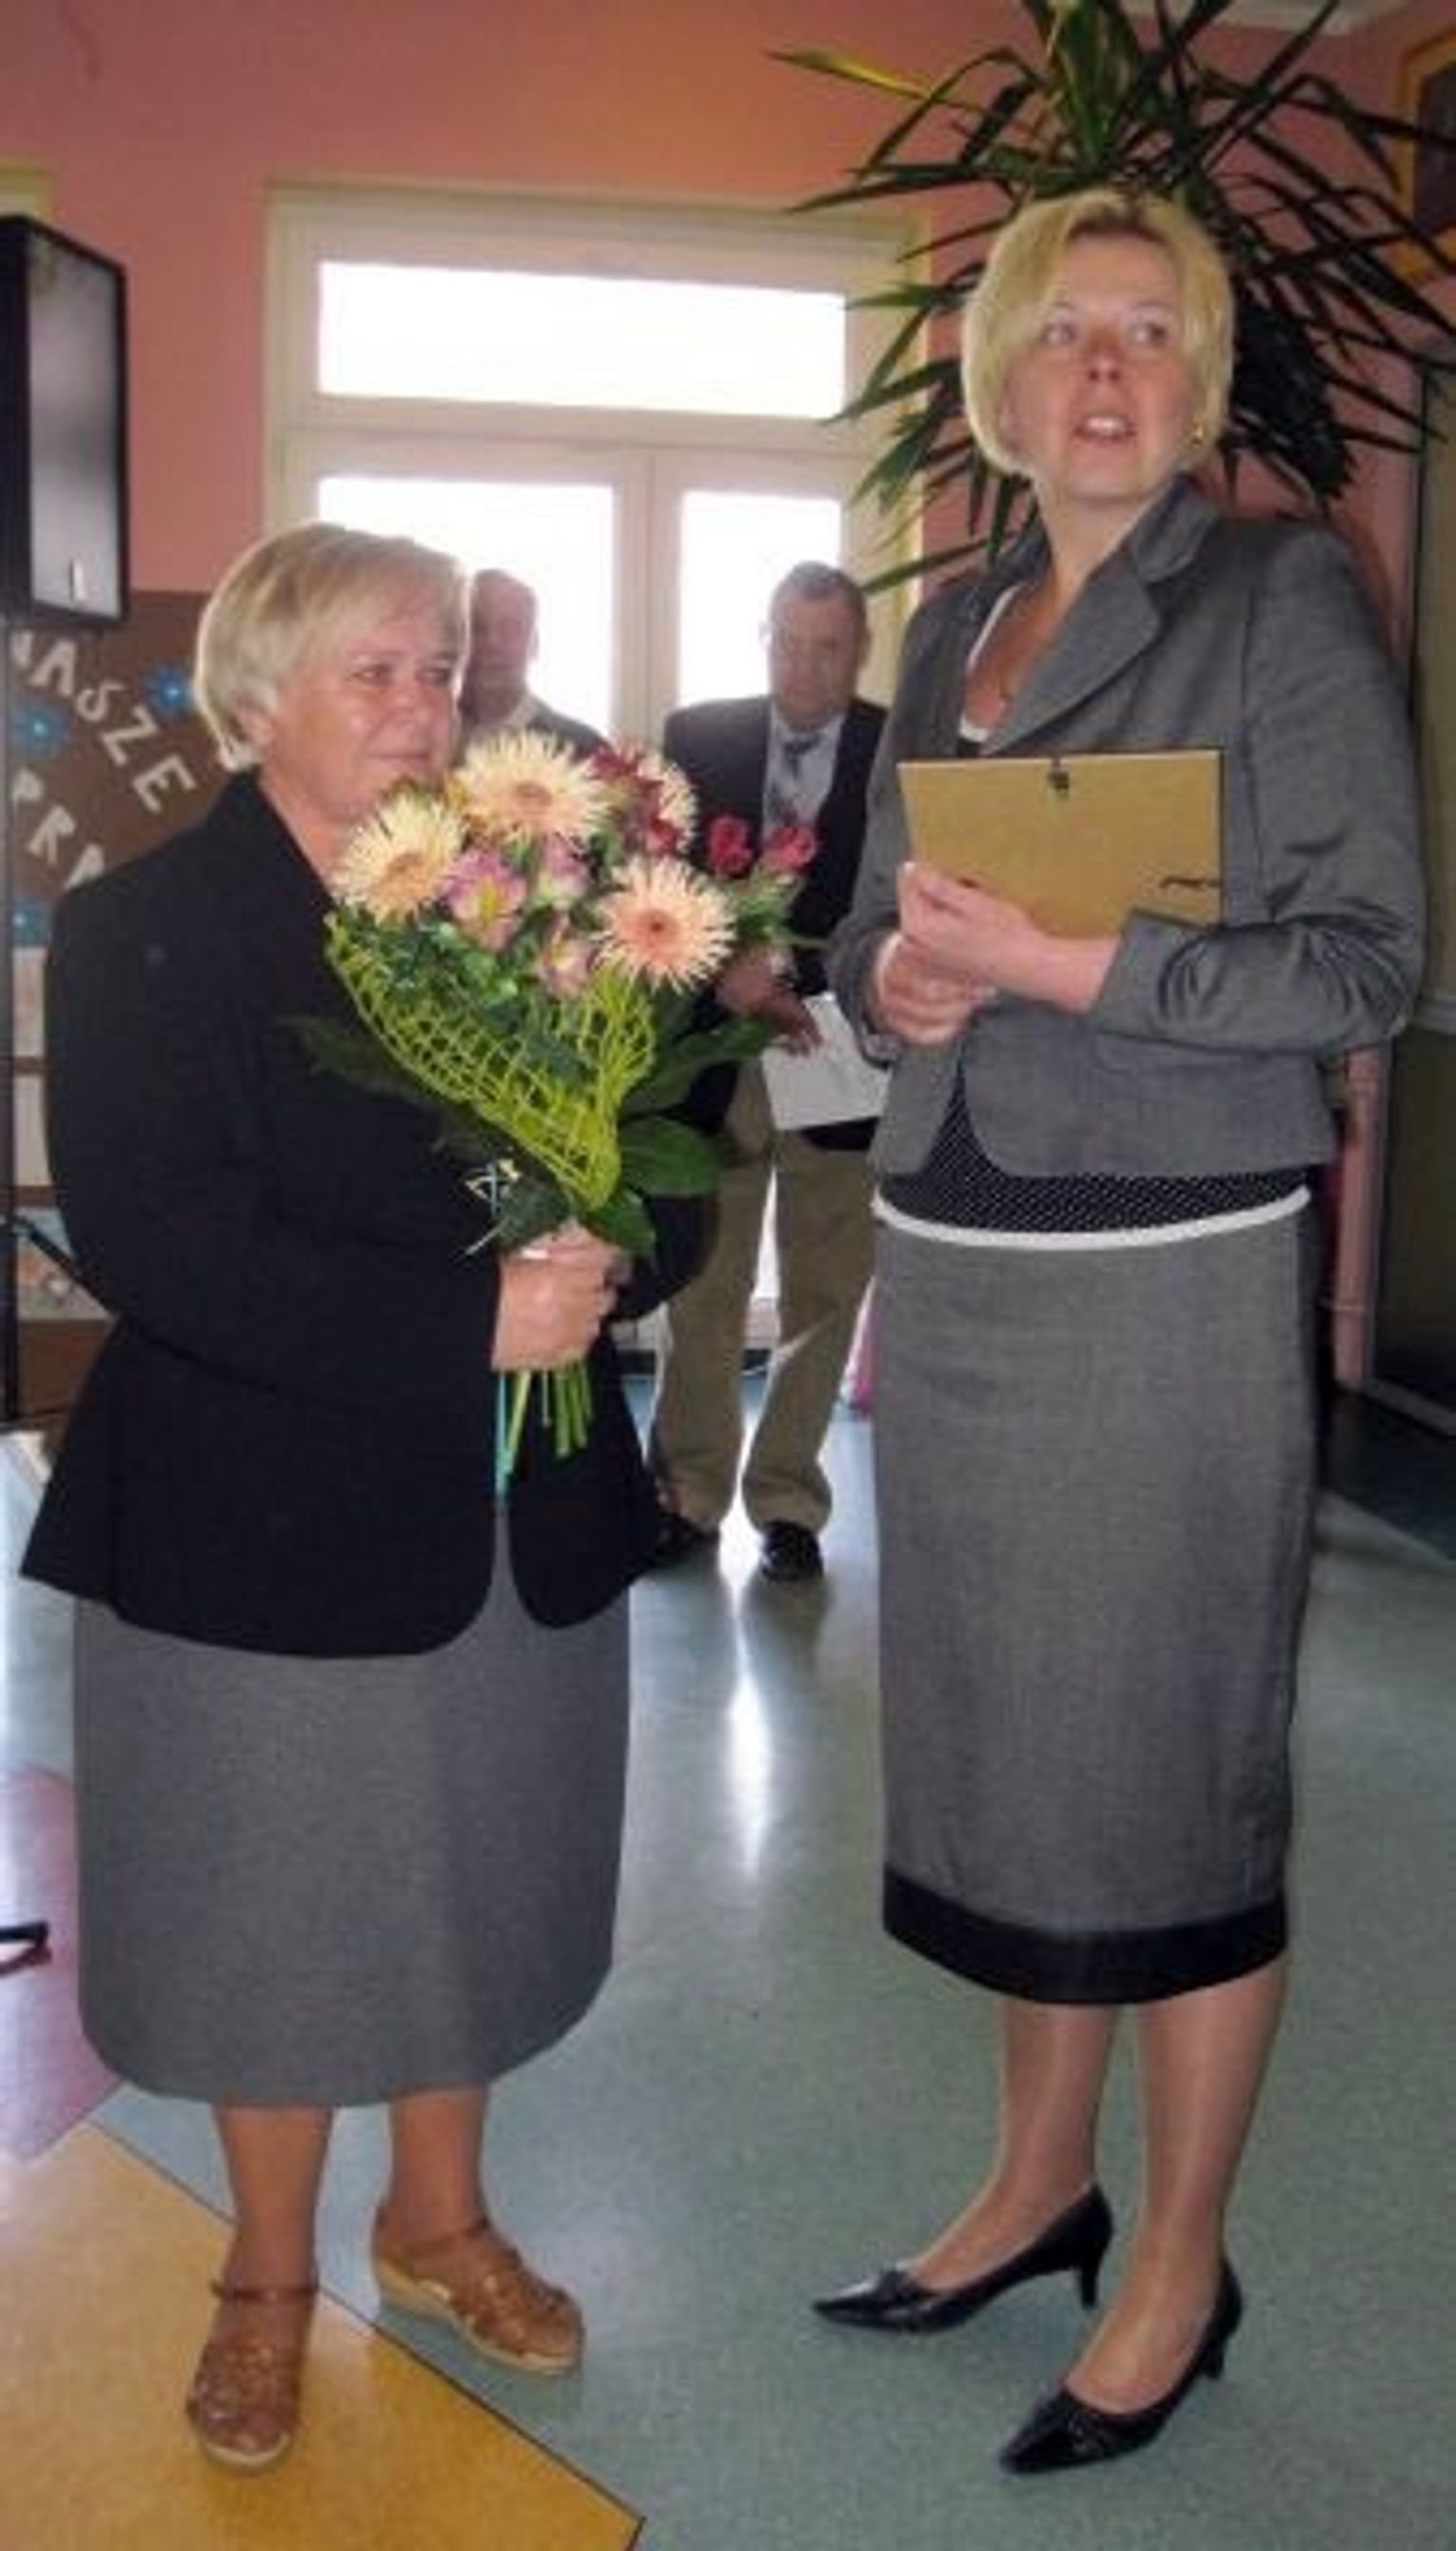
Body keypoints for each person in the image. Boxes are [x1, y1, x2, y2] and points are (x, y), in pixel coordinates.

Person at [814, 189, 1425, 2474]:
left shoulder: (1276, 597)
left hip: (1168, 1261)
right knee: (1010, 1753)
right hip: (961, 1237)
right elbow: (866, 917)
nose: (1101, 367)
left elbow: (1364, 963)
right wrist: (899, 975)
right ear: (995, 377)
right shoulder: (952, 617)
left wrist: (1063, 965)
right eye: (1061, 329)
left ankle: (1176, 2256)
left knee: (1166, 1772)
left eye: (1148, 332)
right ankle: (1032, 2183)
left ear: (1200, 379)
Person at [22, 523, 700, 2475]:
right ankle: (262, 2273)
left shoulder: (519, 909)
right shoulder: (147, 929)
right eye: (376, 674)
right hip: (262, 1509)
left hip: (511, 1509)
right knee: (278, 1903)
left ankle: (440, 2220)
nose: (425, 711)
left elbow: (641, 1160)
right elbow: (159, 1234)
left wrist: (604, 1244)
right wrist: (468, 1316)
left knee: (467, 1865)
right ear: (256, 701)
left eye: (440, 673)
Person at [647, 563, 886, 1583]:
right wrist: (727, 966)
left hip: (836, 1048)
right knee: (705, 1274)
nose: (804, 665)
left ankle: (788, 1497)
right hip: (718, 1049)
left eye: (827, 647)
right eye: (788, 641)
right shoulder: (698, 736)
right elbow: (658, 879)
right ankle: (689, 1492)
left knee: (825, 1286)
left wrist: (797, 976)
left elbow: (908, 898)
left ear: (859, 650)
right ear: (764, 637)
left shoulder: (897, 750)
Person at [457, 565, 604, 758]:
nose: (492, 642)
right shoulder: (429, 737)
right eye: (476, 626)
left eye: (511, 628)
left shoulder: (585, 749)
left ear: (534, 645)